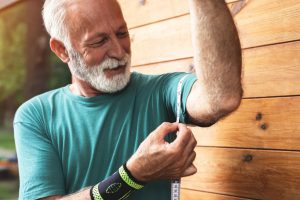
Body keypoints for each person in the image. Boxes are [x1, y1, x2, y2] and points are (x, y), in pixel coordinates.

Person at [13, 0, 243, 199]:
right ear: (62, 50)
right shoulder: (36, 115)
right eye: (98, 42)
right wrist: (131, 176)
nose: (118, 51)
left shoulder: (159, 90)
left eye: (121, 33)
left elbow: (221, 97)